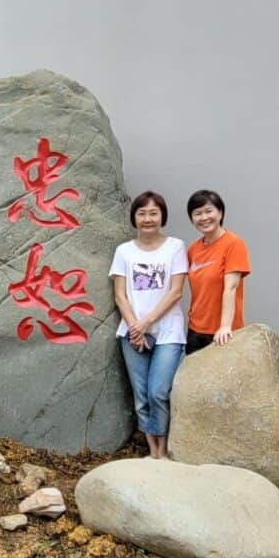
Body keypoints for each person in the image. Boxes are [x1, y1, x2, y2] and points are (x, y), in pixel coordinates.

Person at [109, 191, 187, 459]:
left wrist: (145, 323)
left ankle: (163, 450)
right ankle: (153, 451)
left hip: (167, 331)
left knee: (158, 392)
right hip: (131, 332)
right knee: (141, 395)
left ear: (162, 216)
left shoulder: (175, 247)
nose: (147, 219)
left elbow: (176, 291)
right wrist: (134, 327)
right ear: (134, 218)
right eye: (141, 213)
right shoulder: (124, 251)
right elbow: (120, 293)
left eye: (153, 213)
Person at [185, 189, 251, 355]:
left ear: (220, 213)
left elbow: (231, 287)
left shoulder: (234, 244)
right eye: (197, 213)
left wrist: (225, 327)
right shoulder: (193, 249)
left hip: (223, 333)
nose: (204, 217)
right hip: (195, 330)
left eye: (209, 211)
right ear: (192, 219)